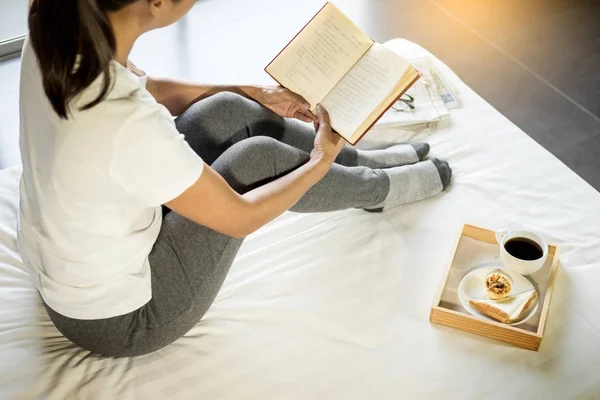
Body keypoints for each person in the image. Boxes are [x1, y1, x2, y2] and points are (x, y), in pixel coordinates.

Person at [18, 0, 452, 357]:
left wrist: (252, 91)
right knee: (255, 161)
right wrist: (318, 161)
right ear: (157, 3)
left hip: (80, 260)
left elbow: (146, 92)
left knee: (224, 108)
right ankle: (376, 190)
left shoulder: (57, 21)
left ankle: (358, 159)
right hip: (122, 317)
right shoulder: (122, 121)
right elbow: (239, 217)